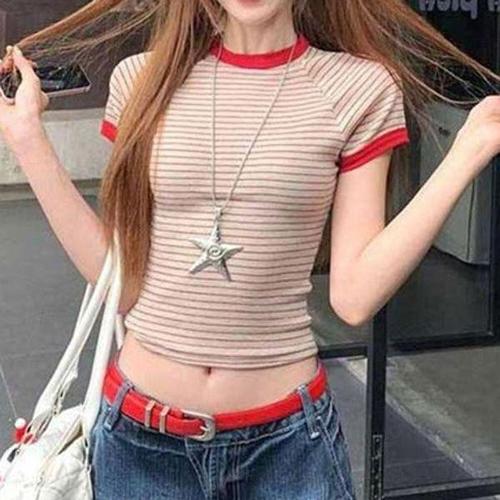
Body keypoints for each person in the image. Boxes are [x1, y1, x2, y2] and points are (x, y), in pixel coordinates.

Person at [1, 0, 500, 498]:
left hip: (287, 447)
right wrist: (28, 141)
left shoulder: (359, 88)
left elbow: (354, 298)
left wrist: (469, 150)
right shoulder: (141, 80)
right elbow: (121, 281)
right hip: (140, 442)